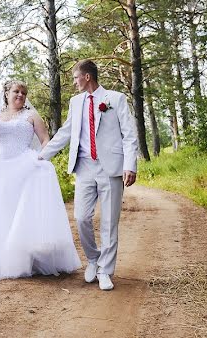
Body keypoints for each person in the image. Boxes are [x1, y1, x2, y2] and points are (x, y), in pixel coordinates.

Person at [0, 80, 81, 280]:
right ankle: (0, 258)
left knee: (21, 215)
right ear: (6, 93)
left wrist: (41, 158)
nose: (20, 95)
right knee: (0, 213)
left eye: (23, 92)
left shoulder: (32, 116)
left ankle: (26, 258)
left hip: (25, 166)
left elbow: (45, 140)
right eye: (16, 91)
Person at [38, 59, 138, 291]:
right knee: (81, 218)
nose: (74, 83)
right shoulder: (76, 102)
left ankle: (105, 270)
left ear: (87, 77)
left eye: (75, 78)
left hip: (110, 168)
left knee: (109, 222)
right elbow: (66, 132)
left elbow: (129, 135)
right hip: (83, 167)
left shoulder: (115, 99)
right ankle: (93, 259)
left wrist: (130, 165)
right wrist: (43, 156)